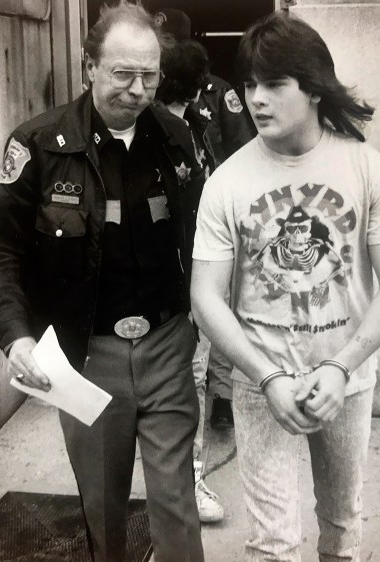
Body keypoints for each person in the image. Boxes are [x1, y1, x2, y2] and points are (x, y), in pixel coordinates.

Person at [0, 3, 205, 561]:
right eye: (123, 73)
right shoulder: (38, 146)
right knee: (103, 505)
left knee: (176, 501)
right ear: (89, 67)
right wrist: (14, 335)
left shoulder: (176, 138)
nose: (138, 89)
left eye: (150, 75)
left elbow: (203, 236)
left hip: (168, 346)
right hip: (86, 357)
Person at [191, 12, 380, 562]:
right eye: (249, 85)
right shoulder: (229, 181)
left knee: (342, 528)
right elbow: (204, 295)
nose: (255, 99)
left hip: (346, 379)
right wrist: (265, 376)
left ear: (313, 88)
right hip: (259, 381)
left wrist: (341, 366)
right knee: (272, 545)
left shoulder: (366, 167)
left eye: (273, 84)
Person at [153, 6, 256, 432]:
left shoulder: (217, 91)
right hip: (182, 233)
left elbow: (241, 148)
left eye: (169, 45)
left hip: (217, 220)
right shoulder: (152, 108)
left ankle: (223, 398)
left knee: (220, 318)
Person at [154, 36, 224, 523]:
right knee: (185, 379)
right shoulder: (151, 133)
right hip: (164, 282)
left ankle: (189, 474)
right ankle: (184, 477)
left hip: (199, 273)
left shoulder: (199, 127)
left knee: (196, 374)